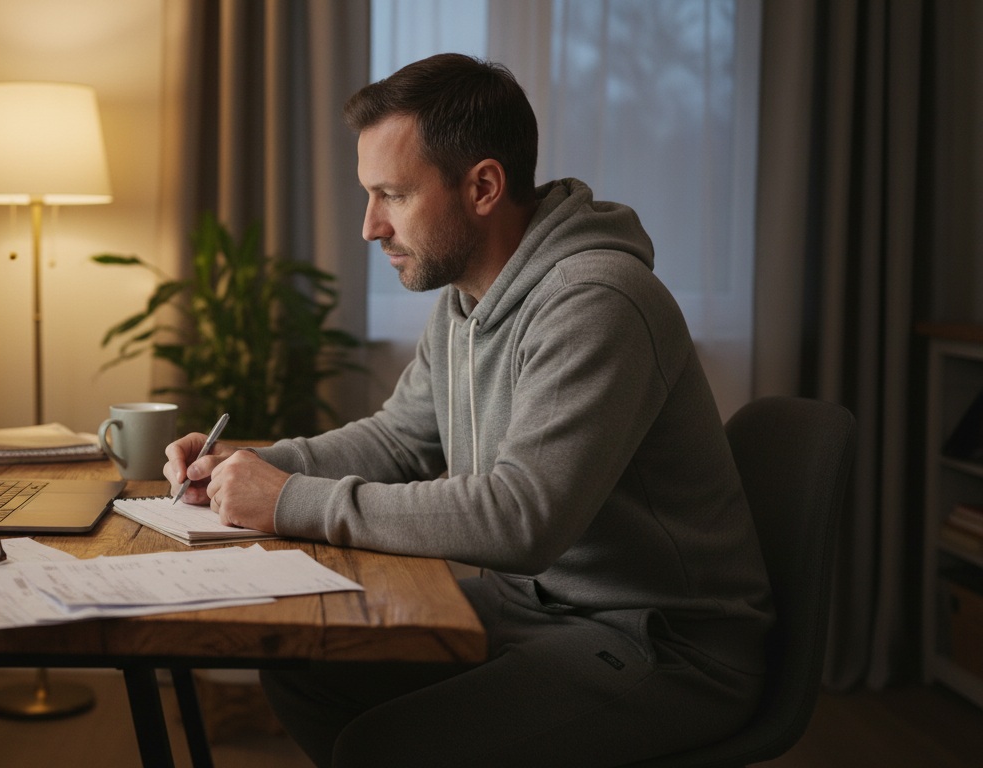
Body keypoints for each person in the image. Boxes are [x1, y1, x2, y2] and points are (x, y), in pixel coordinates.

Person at [163, 53, 773, 768]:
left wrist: (291, 499)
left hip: (663, 645)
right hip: (537, 610)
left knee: (382, 749)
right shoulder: (467, 300)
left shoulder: (599, 301)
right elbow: (400, 439)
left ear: (483, 185)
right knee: (305, 668)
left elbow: (522, 519)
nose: (370, 227)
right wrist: (255, 464)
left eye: (391, 194)